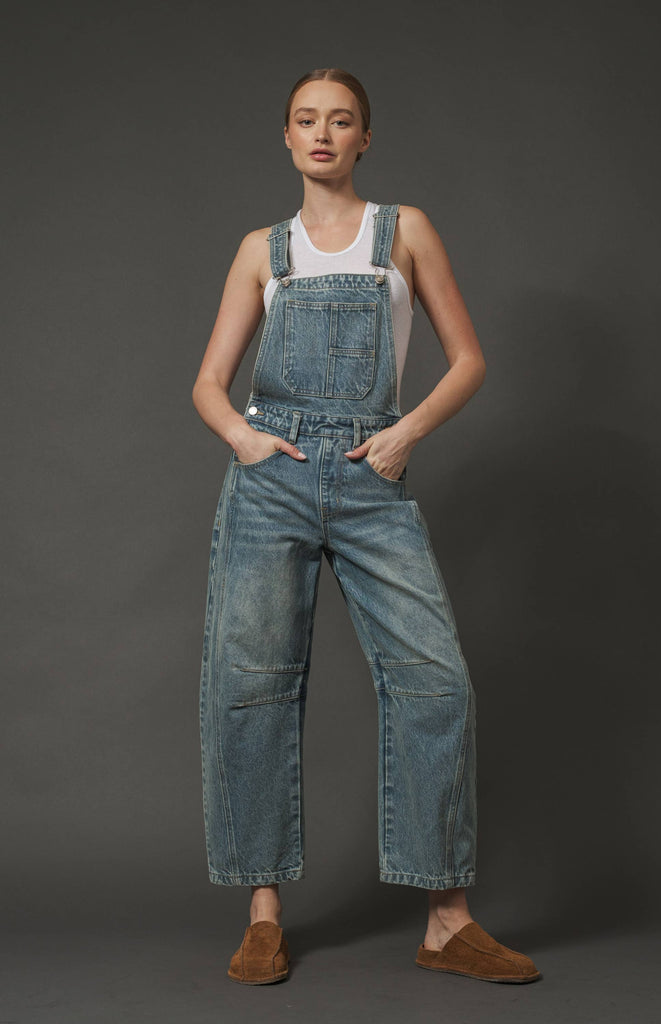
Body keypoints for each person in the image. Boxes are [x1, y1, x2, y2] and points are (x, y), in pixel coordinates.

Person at [192, 67, 542, 987]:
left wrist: (405, 434)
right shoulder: (261, 249)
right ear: (286, 136)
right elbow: (207, 384)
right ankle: (263, 915)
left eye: (340, 120)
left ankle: (446, 922)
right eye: (306, 119)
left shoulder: (404, 231)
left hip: (368, 473)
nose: (322, 134)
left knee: (435, 683)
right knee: (252, 685)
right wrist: (245, 441)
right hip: (271, 480)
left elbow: (467, 361)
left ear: (363, 138)